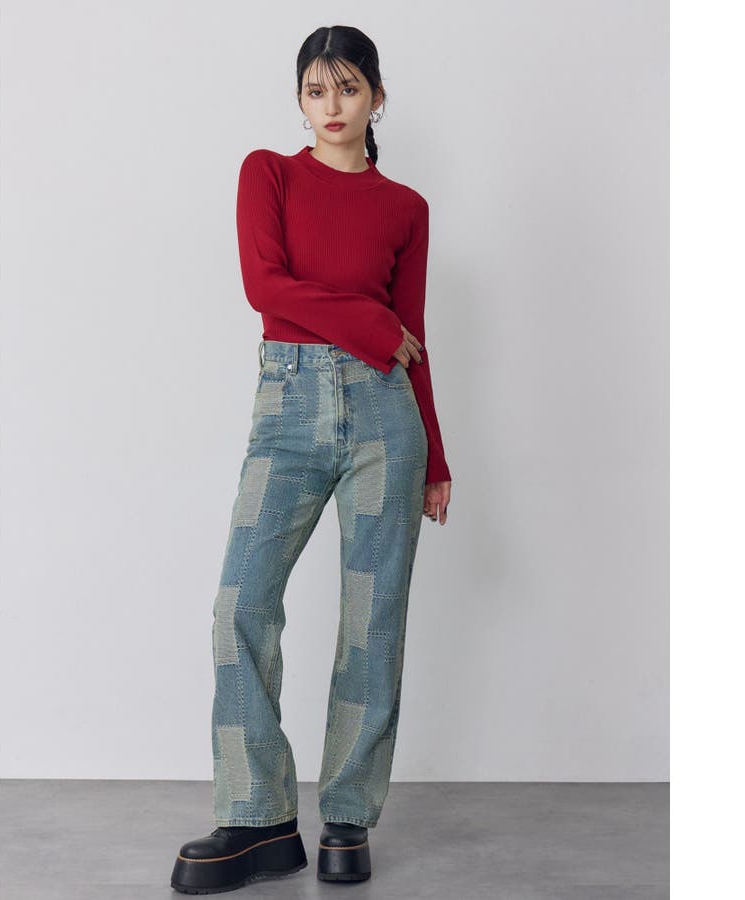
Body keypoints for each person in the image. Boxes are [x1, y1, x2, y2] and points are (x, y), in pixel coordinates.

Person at [171, 25, 453, 895]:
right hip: (288, 409)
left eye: (349, 88)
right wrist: (369, 323)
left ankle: (347, 819)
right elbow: (266, 286)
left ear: (376, 97)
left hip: (385, 419)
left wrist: (436, 455)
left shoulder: (406, 207)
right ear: (299, 100)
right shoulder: (269, 173)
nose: (332, 106)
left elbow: (415, 338)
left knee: (373, 621)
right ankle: (257, 817)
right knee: (240, 605)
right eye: (315, 90)